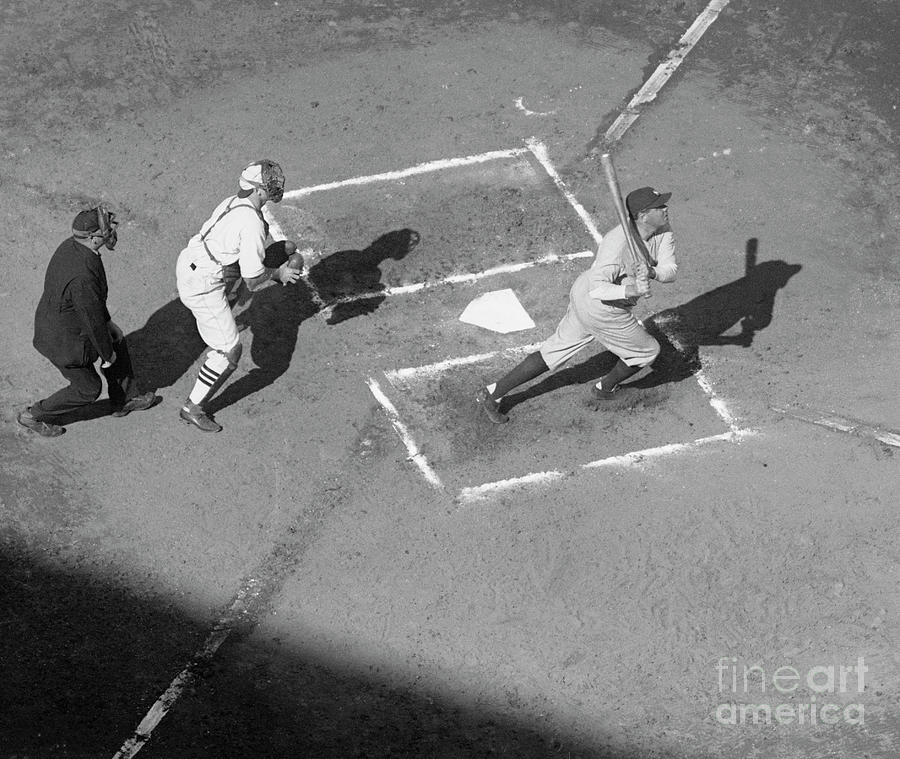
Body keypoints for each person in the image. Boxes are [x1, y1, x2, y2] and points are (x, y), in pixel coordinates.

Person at [475, 186, 677, 424]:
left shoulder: (662, 230)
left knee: (554, 351)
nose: (666, 209)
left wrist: (652, 272)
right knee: (648, 351)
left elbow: (670, 270)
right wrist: (631, 289)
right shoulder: (617, 245)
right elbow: (598, 288)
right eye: (659, 207)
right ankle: (605, 389)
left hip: (585, 297)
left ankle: (493, 393)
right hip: (601, 305)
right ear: (643, 215)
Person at [175, 159, 302, 432]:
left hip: (194, 263)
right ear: (257, 189)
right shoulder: (251, 222)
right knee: (229, 350)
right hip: (202, 286)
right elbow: (254, 281)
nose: (275, 185)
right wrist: (279, 275)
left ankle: (223, 318)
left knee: (279, 251)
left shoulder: (232, 201)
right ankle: (192, 407)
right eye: (269, 183)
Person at [17, 205, 159, 437]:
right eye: (104, 230)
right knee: (89, 388)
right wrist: (107, 354)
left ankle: (124, 399)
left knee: (116, 339)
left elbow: (91, 306)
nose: (109, 233)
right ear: (94, 238)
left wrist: (109, 323)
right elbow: (91, 320)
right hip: (64, 343)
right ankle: (34, 415)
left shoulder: (71, 247)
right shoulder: (82, 275)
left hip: (58, 325)